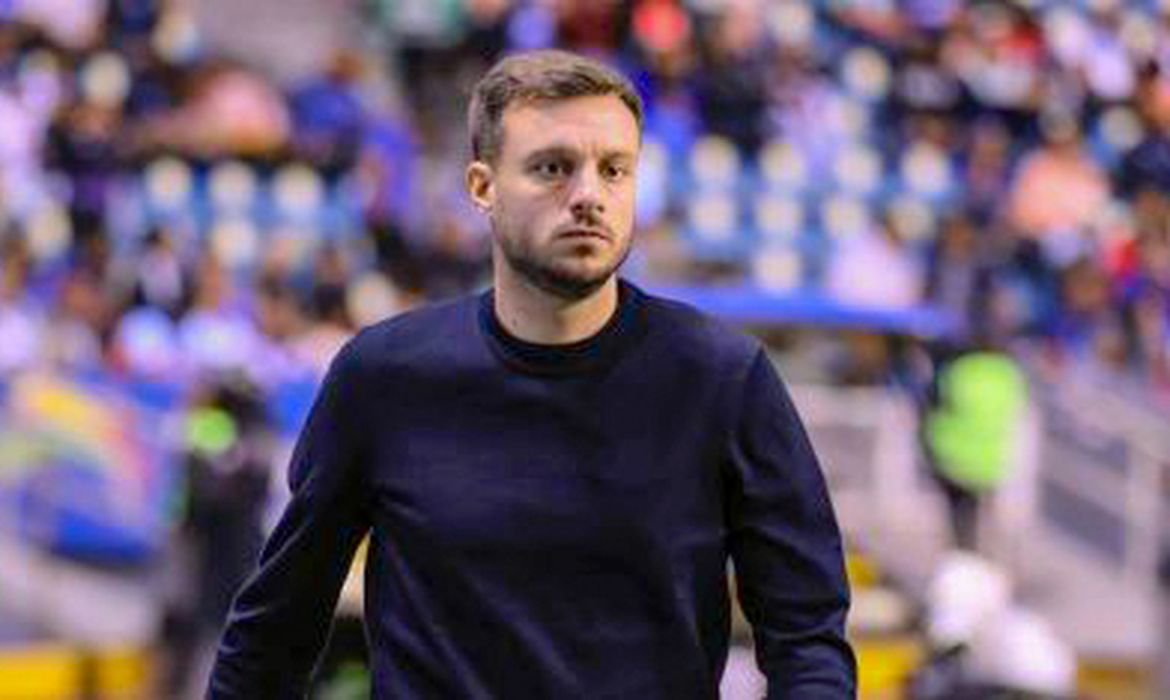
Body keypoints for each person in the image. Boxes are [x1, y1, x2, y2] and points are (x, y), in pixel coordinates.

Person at [208, 49, 855, 698]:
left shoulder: (722, 379)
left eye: (614, 170)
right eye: (552, 168)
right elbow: (273, 634)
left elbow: (807, 638)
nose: (588, 196)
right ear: (482, 188)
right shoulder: (383, 379)